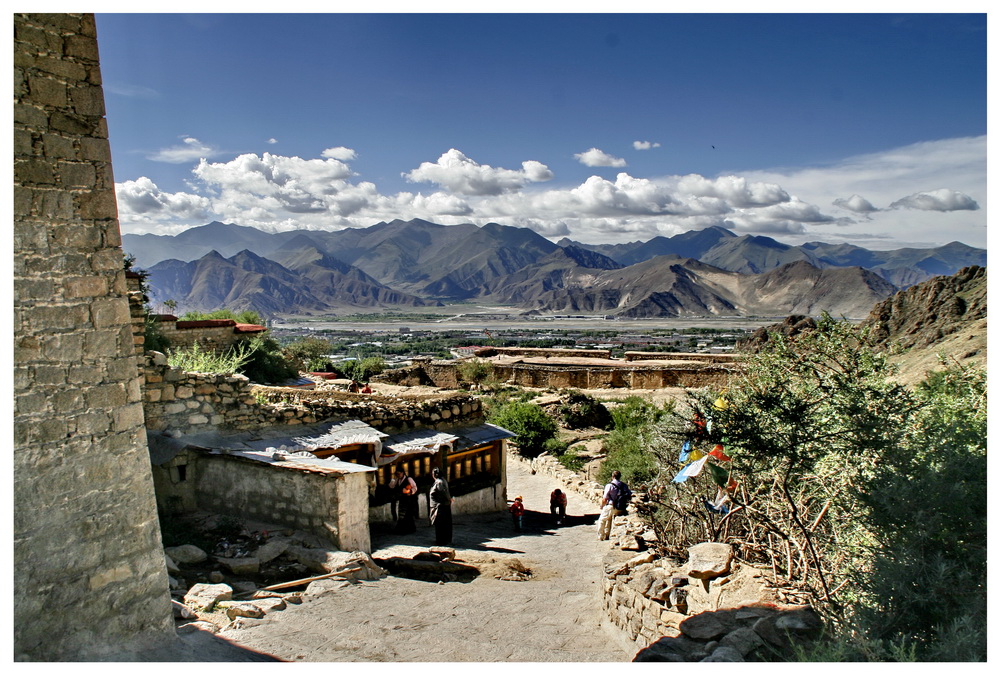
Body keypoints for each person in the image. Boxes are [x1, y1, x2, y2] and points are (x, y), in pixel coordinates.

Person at [597, 470, 629, 541]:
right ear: (620, 477)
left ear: (613, 476)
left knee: (602, 520)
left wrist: (602, 506)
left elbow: (605, 498)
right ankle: (607, 535)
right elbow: (629, 495)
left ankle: (601, 536)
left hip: (611, 505)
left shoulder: (609, 486)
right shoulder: (624, 485)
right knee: (609, 520)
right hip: (621, 507)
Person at [428, 467, 453, 546]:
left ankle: (442, 540)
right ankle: (444, 539)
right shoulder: (442, 481)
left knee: (441, 524)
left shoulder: (439, 482)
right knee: (444, 524)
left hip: (440, 507)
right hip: (442, 505)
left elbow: (443, 492)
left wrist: (449, 499)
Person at [389, 469, 418, 534]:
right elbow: (391, 486)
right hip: (402, 499)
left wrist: (410, 492)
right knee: (401, 514)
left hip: (409, 499)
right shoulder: (397, 480)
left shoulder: (409, 479)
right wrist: (394, 479)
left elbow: (415, 487)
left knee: (408, 514)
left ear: (403, 473)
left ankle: (409, 529)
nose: (398, 475)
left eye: (399, 474)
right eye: (397, 474)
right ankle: (402, 529)